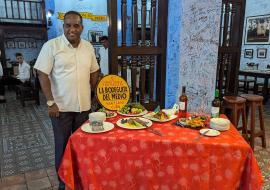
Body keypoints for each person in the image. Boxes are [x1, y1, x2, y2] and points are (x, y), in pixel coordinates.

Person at [34, 11, 100, 189]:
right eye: (68, 25)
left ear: (82, 27)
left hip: (84, 109)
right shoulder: (51, 46)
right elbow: (42, 73)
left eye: (76, 25)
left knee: (82, 147)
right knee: (62, 148)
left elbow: (94, 70)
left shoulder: (88, 47)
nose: (72, 29)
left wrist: (94, 93)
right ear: (63, 27)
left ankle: (79, 180)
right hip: (60, 109)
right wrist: (50, 102)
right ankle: (63, 183)